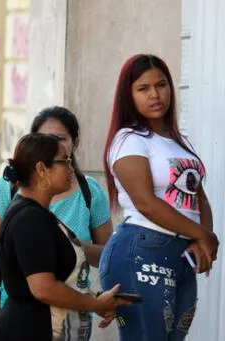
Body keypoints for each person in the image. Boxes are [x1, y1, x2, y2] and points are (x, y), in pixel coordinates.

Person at [100, 54, 219, 340]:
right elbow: (146, 203)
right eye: (143, 88)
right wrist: (204, 236)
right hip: (142, 249)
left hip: (181, 254)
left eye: (161, 85)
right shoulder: (129, 139)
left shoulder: (180, 141)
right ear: (128, 96)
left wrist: (203, 240)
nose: (155, 95)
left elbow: (198, 197)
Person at [0, 106, 113, 339]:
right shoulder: (30, 218)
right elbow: (44, 288)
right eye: (63, 162)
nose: (71, 168)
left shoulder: (37, 212)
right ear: (41, 169)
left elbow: (104, 253)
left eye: (69, 159)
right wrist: (95, 304)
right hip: (32, 327)